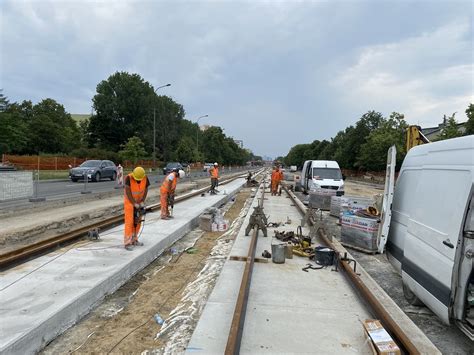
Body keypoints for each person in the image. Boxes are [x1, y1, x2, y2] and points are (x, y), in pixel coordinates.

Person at [124, 166, 150, 250]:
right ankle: (127, 242)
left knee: (138, 221)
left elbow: (146, 189)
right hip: (129, 202)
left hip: (139, 201)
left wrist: (142, 200)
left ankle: (134, 239)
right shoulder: (129, 178)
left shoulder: (145, 178)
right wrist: (134, 203)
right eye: (137, 179)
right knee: (129, 222)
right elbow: (128, 192)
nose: (138, 180)